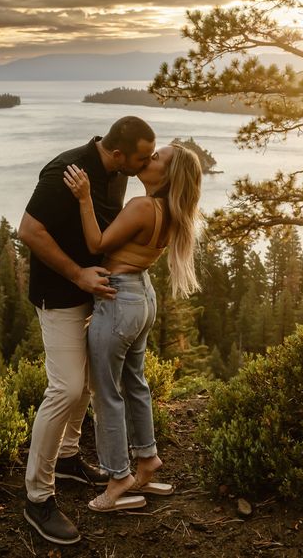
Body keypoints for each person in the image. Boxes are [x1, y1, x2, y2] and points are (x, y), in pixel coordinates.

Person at [18, 116, 156, 545]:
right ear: (118, 153)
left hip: (95, 294)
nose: (146, 164)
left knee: (91, 381)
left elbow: (104, 232)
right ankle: (37, 498)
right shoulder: (67, 171)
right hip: (60, 295)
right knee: (66, 389)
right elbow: (29, 230)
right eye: (142, 157)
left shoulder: (116, 173)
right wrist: (78, 275)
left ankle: (68, 458)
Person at [63, 142, 202, 512]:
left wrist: (84, 197)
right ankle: (146, 460)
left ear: (168, 175)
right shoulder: (172, 211)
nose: (148, 158)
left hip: (118, 300)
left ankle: (118, 477)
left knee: (105, 392)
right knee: (135, 383)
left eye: (156, 158)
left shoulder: (143, 206)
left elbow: (97, 244)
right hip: (142, 296)